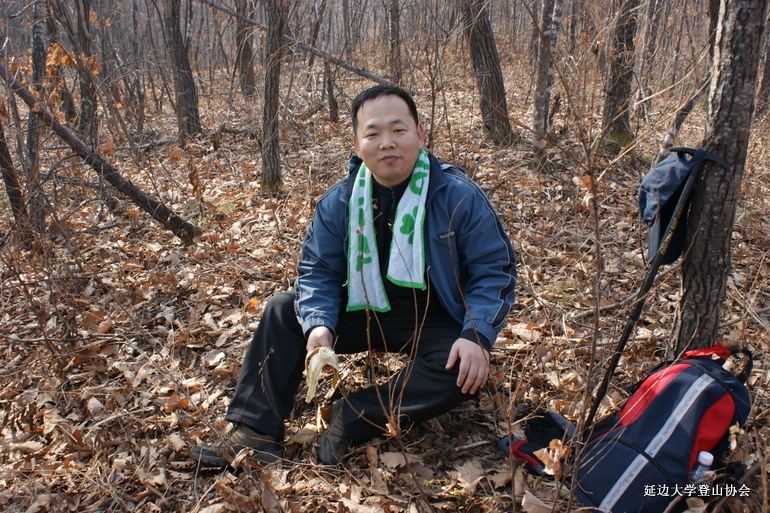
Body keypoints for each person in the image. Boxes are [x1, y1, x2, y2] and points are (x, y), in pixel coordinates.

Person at [189, 85, 516, 467]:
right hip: (362, 309)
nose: (387, 143)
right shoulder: (340, 201)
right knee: (282, 310)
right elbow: (318, 271)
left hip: (434, 316)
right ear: (357, 143)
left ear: (420, 134)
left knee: (465, 369)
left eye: (399, 130)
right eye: (373, 133)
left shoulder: (458, 195)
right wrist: (318, 325)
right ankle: (255, 431)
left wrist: (475, 333)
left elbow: (493, 270)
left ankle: (355, 416)